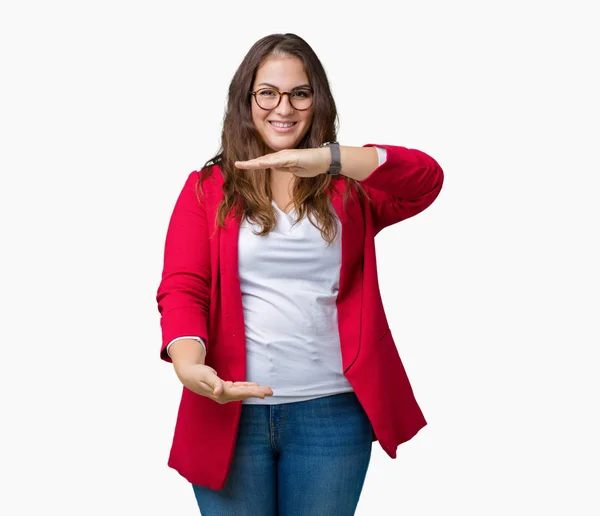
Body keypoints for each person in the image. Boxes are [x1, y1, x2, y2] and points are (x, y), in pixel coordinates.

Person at [156, 32, 444, 515]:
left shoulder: (351, 190)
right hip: (229, 411)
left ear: (317, 101)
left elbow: (425, 179)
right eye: (267, 92)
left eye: (299, 93)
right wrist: (188, 361)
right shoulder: (207, 188)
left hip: (330, 414)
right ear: (246, 100)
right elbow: (185, 286)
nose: (282, 107)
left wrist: (328, 159)